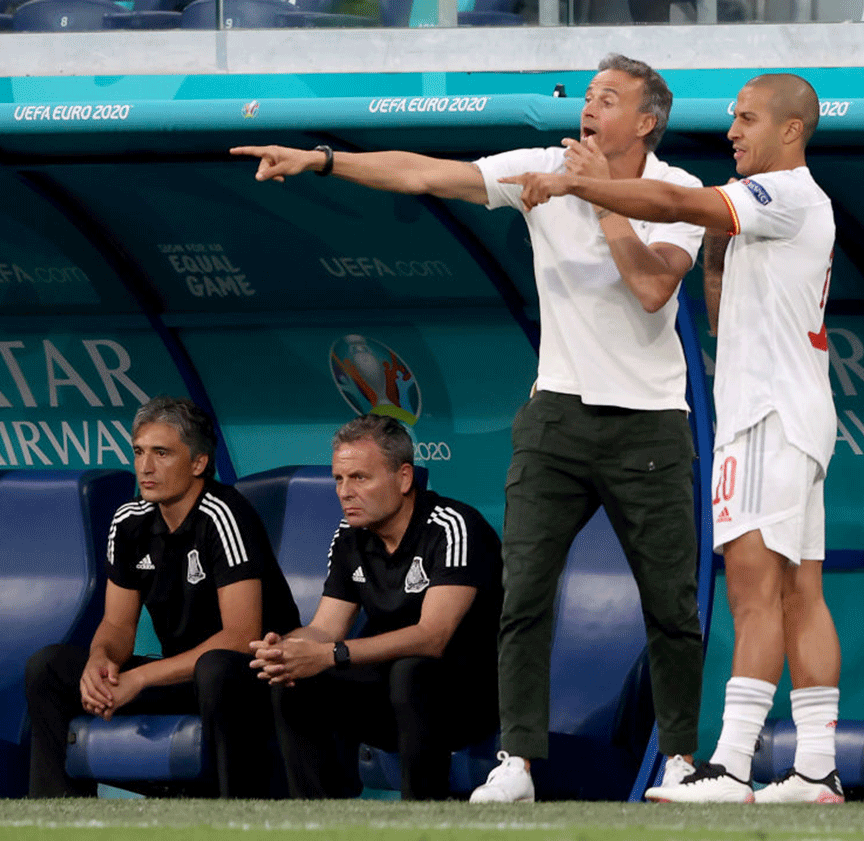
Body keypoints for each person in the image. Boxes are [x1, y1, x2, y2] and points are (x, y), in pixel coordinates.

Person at [231, 53, 706, 804]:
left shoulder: (676, 190)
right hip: (556, 410)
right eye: (587, 96)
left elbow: (652, 289)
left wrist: (595, 194)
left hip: (649, 423)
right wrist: (321, 159)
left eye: (607, 99)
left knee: (671, 601)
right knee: (525, 593)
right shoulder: (537, 169)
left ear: (645, 121)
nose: (589, 109)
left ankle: (679, 759)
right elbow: (423, 173)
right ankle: (516, 760)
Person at [503, 73, 844, 805]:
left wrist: (585, 186)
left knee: (754, 593)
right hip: (798, 412)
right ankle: (817, 766)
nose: (732, 131)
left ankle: (728, 764)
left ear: (791, 130)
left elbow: (670, 202)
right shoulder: (780, 207)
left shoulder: (781, 193)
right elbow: (718, 308)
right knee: (798, 592)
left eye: (747, 119)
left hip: (767, 416)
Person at [25, 396, 300, 798]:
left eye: (161, 453)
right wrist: (101, 661)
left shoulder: (225, 514)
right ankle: (57, 820)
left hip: (249, 682)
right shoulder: (129, 520)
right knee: (49, 667)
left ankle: (238, 815)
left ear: (198, 463)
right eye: (138, 452)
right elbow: (118, 624)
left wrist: (137, 678)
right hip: (181, 677)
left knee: (216, 668)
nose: (145, 467)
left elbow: (242, 637)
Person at [248, 415, 502, 800]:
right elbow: (324, 628)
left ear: (403, 478)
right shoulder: (350, 535)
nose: (344, 492)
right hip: (391, 693)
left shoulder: (453, 526)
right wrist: (289, 649)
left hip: (466, 698)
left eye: (359, 478)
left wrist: (332, 654)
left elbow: (432, 637)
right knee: (295, 682)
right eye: (339, 479)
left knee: (412, 672)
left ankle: (425, 818)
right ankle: (317, 823)